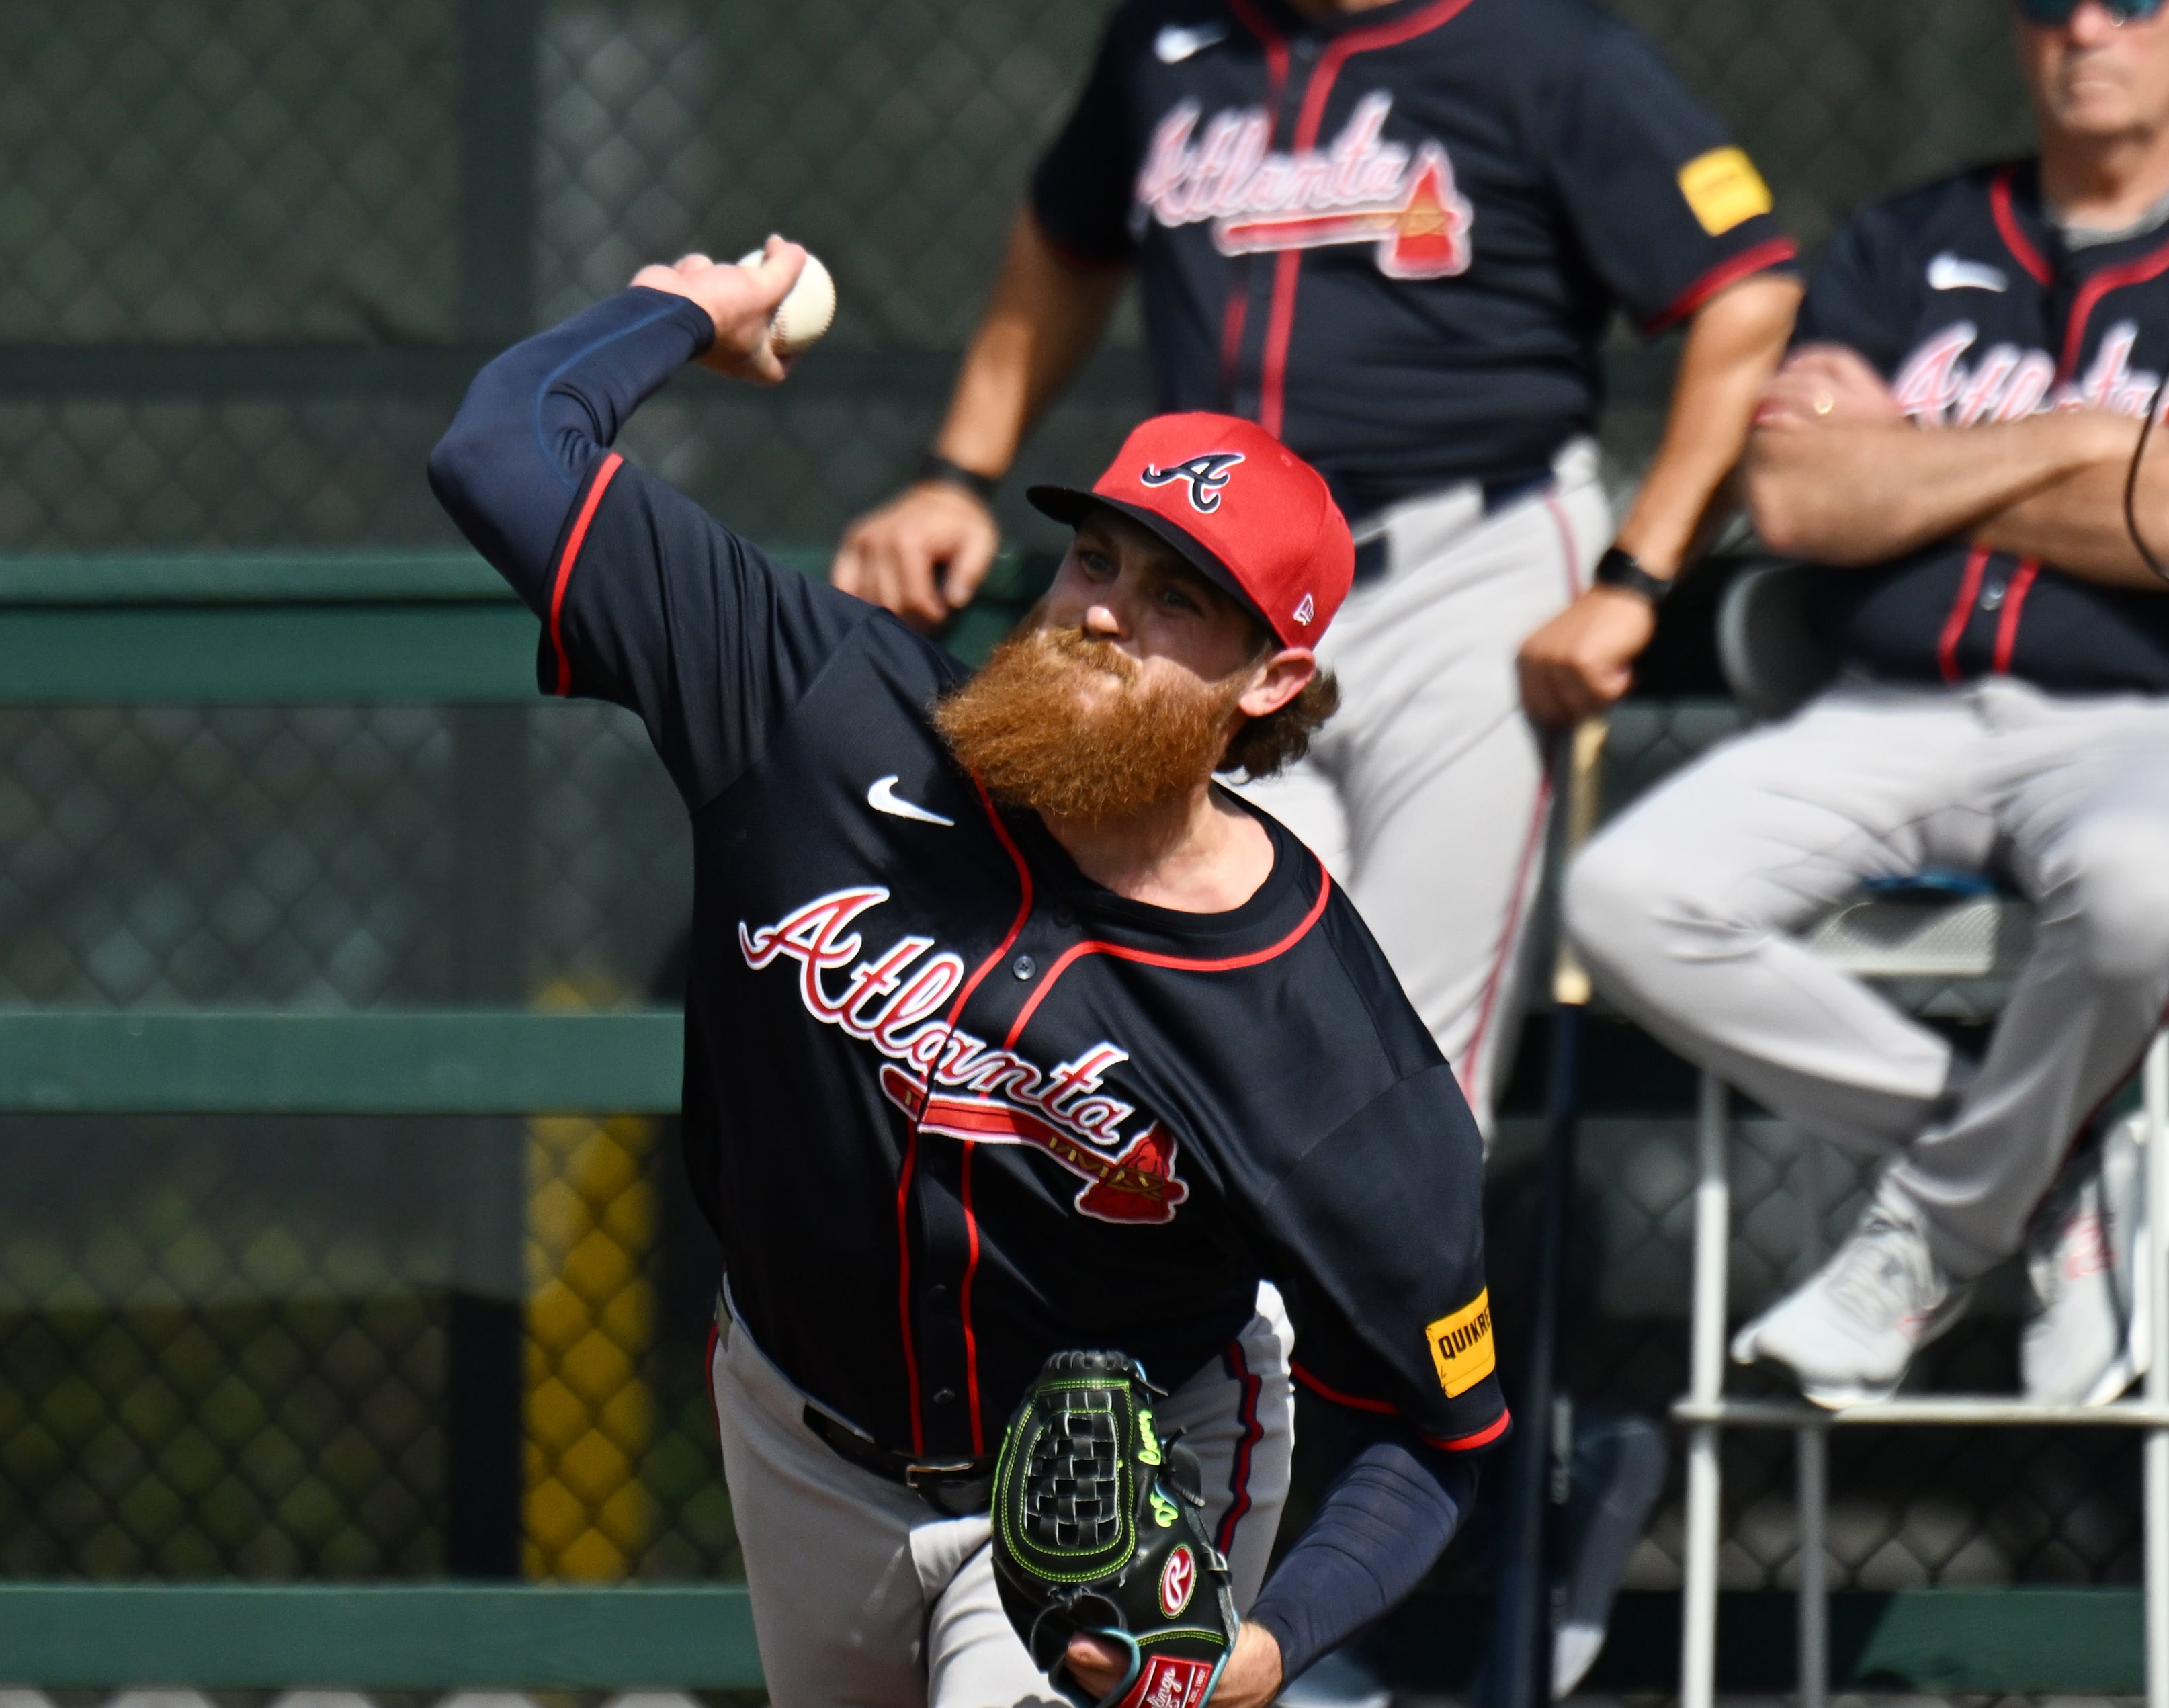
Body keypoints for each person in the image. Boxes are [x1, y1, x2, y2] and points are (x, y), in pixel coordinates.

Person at [429, 243, 1509, 1707]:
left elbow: (1440, 1436)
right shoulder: (819, 710)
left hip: (1103, 1498)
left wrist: (1268, 1649)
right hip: (799, 1436)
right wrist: (689, 313)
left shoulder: (1311, 1025)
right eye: (1097, 555)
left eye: (1182, 597)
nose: (1107, 610)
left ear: (1267, 682)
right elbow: (501, 449)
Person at [831, 0, 1802, 1138]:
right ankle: (1220, 1344)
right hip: (1220, 598)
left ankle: (1359, 1341)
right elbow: (1062, 248)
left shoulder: (1542, 42)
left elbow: (1748, 291)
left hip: (1475, 571)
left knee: (1402, 1047)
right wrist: (957, 474)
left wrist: (1636, 576)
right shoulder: (1170, 25)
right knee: (1191, 995)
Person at [1566, 0, 2169, 1411]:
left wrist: (1911, 468)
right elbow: (1793, 503)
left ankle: (1924, 1242)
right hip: (1888, 712)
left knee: (2148, 894)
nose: (2086, 25)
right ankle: (2048, 1184)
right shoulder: (1900, 237)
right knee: (1626, 896)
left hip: (2155, 720)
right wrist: (2090, 444)